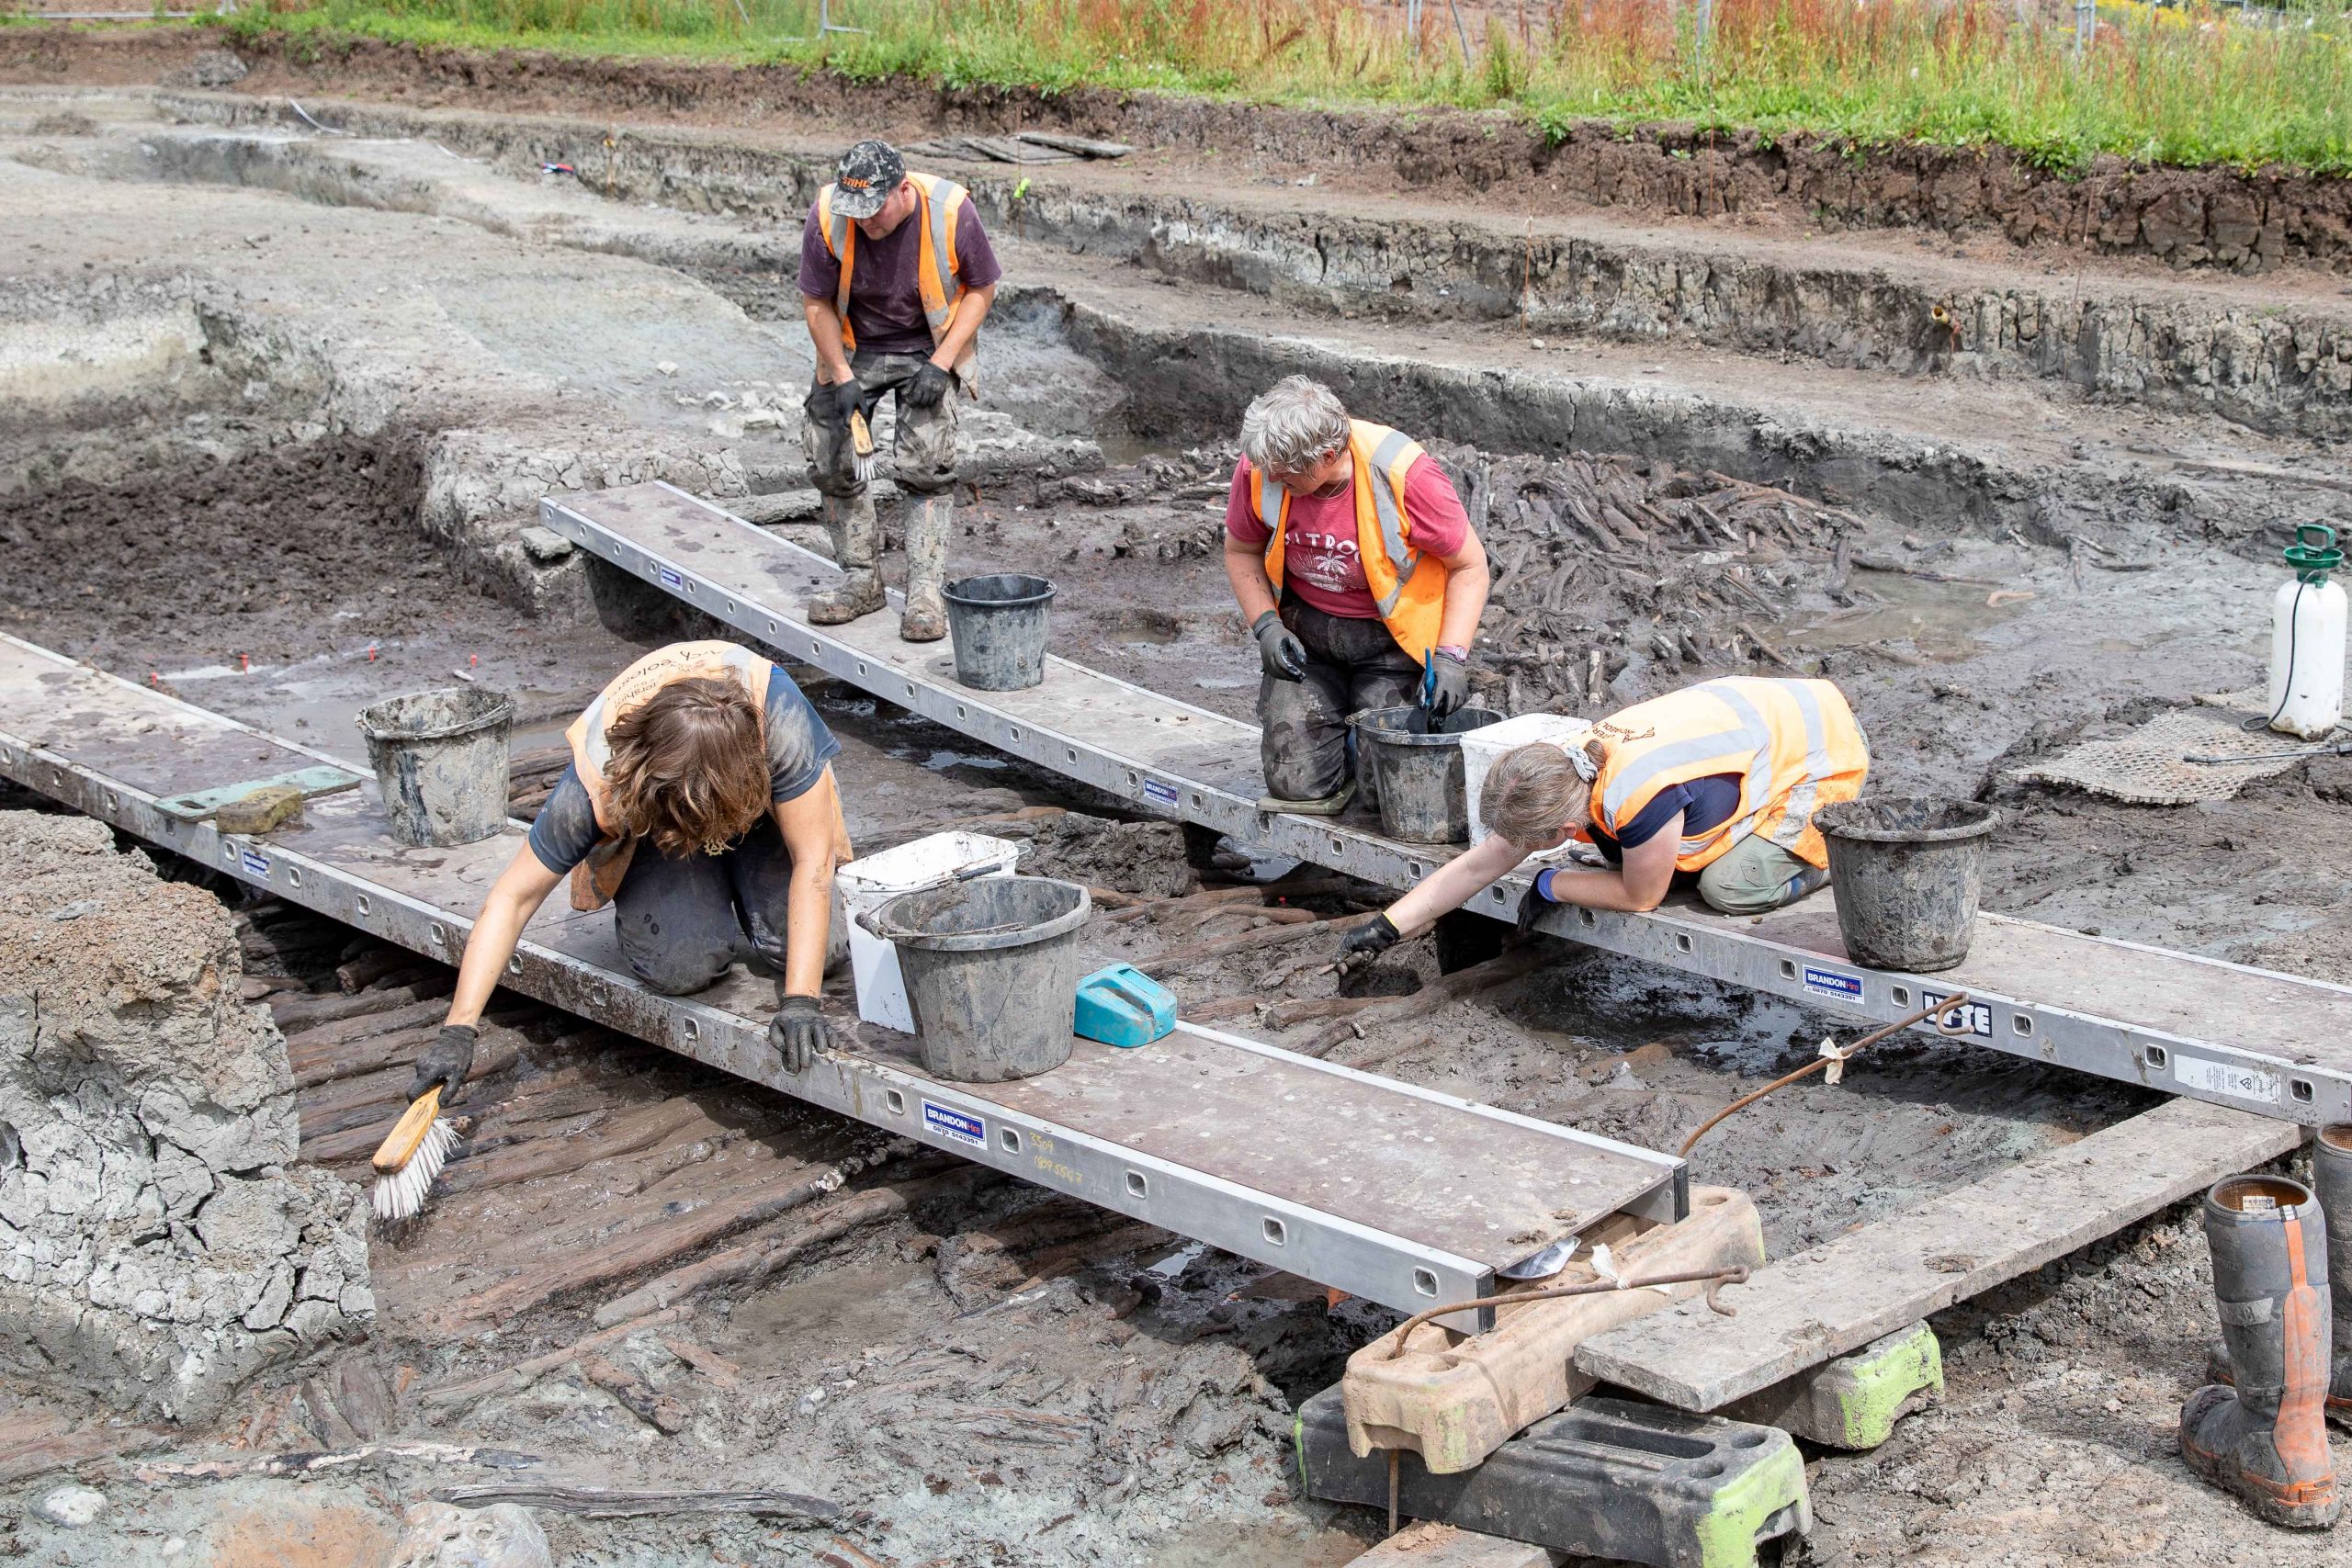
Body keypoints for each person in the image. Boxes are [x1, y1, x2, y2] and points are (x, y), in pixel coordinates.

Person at [408, 641, 853, 1109]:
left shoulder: (780, 721)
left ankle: (740, 864)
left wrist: (801, 1001)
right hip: (661, 826)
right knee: (680, 968)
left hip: (756, 807)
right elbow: (512, 899)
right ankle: (694, 876)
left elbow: (813, 863)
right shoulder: (602, 774)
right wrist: (458, 1029)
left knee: (820, 955)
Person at [1334, 676, 1869, 967]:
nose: (1515, 850)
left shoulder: (1638, 795)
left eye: (1532, 846)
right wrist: (1387, 926)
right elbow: (1478, 867)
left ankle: (1820, 861)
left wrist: (1551, 883)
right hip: (1758, 717)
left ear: (1565, 832)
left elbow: (1641, 897)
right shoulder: (1561, 765)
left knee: (1726, 887)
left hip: (1822, 748)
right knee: (1634, 855)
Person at [1222, 376, 1490, 813]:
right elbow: (1240, 551)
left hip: (1391, 646)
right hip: (1309, 642)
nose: (1271, 479)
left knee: (1385, 790)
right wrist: (1267, 627)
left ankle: (1357, 752)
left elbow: (1470, 565)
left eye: (1285, 476)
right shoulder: (1263, 466)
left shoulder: (1404, 474)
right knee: (1295, 783)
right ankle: (1335, 749)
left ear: (1326, 457)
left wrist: (1451, 657)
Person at [798, 138, 1001, 643]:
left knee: (926, 466)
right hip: (855, 345)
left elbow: (982, 289)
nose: (865, 224)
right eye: (857, 214)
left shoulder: (950, 209)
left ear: (903, 190)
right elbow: (816, 301)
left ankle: (926, 593)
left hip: (926, 344)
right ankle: (861, 580)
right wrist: (841, 377)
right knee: (829, 455)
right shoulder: (828, 213)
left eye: (874, 212)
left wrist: (941, 363)